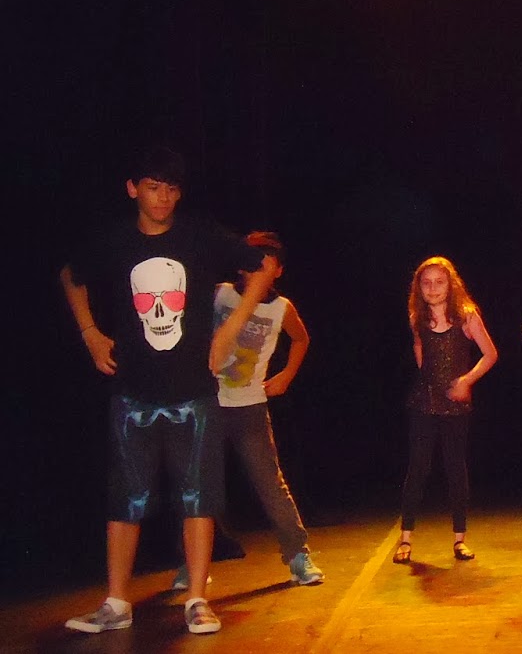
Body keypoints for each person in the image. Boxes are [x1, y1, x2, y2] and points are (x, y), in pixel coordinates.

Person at [60, 148, 274, 636]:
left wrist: (231, 329)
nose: (163, 198)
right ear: (132, 188)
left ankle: (197, 598)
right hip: (132, 391)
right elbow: (72, 274)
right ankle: (116, 602)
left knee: (198, 497)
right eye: (153, 187)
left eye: (172, 189)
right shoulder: (115, 239)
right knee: (125, 499)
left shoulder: (199, 235)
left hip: (193, 391)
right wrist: (91, 334)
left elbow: (263, 264)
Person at [194, 231, 324, 588]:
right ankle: (192, 563)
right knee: (198, 486)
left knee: (270, 483)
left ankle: (298, 556)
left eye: (267, 268)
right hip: (208, 403)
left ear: (278, 271)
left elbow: (301, 338)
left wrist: (286, 375)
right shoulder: (221, 294)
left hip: (249, 406)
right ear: (242, 267)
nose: (258, 274)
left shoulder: (281, 308)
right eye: (253, 267)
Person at [393, 257, 499, 566]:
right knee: (418, 467)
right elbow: (419, 348)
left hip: (455, 403)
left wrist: (466, 381)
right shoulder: (418, 317)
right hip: (423, 401)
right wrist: (428, 377)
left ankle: (459, 538)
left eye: (439, 282)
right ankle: (406, 538)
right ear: (418, 287)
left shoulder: (466, 316)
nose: (433, 288)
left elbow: (490, 354)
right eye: (426, 283)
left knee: (455, 467)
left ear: (451, 285)